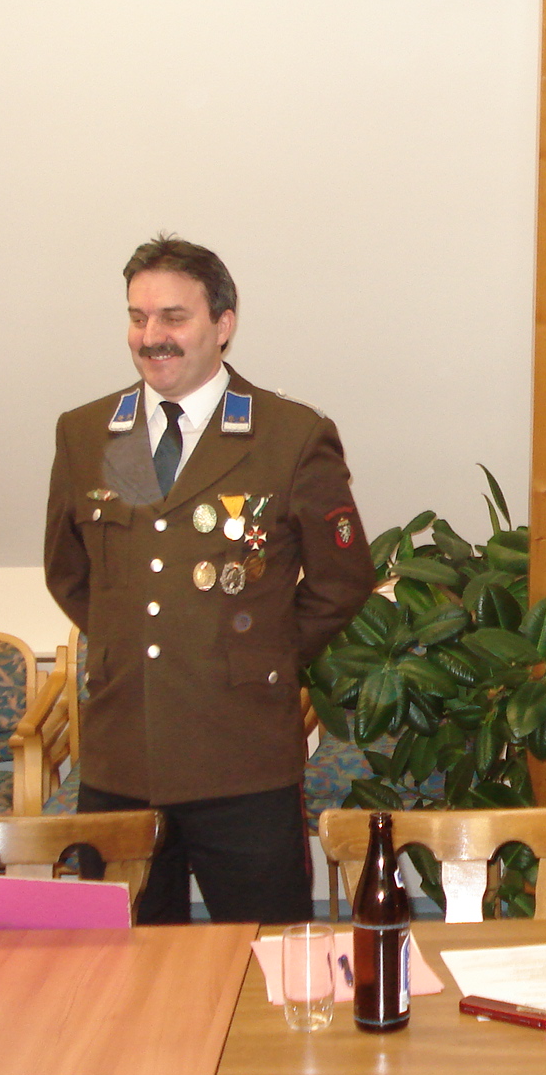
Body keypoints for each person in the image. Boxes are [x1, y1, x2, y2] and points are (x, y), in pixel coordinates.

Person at [44, 236, 374, 924]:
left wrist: (264, 651)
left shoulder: (290, 435)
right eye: (138, 317)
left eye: (173, 317)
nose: (151, 337)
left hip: (242, 757)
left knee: (268, 954)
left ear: (223, 324)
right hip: (120, 757)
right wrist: (125, 645)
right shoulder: (84, 433)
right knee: (126, 962)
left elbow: (342, 579)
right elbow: (68, 572)